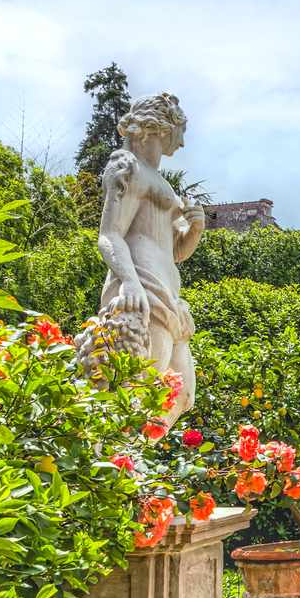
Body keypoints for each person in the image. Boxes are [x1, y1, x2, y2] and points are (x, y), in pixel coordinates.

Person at [75, 93, 204, 427]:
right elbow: (109, 234)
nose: (182, 142)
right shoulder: (127, 166)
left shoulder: (163, 184)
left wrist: (195, 229)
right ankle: (117, 454)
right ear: (161, 127)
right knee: (136, 395)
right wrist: (129, 281)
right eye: (180, 131)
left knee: (181, 394)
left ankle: (133, 455)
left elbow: (176, 252)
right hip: (143, 290)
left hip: (169, 295)